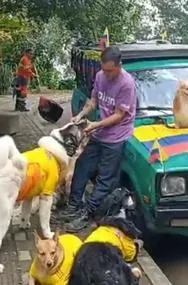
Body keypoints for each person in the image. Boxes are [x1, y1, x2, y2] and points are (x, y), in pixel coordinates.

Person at [56, 46, 136, 232]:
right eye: (104, 69)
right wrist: (81, 116)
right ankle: (73, 206)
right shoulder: (100, 76)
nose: (106, 74)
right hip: (99, 131)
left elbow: (119, 115)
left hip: (116, 136)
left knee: (105, 179)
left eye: (110, 70)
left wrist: (96, 125)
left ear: (119, 65)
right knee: (82, 166)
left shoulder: (127, 84)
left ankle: (88, 214)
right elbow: (93, 102)